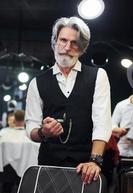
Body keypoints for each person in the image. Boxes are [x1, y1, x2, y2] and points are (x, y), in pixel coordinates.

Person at [25, 16, 112, 184]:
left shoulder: (98, 76)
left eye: (74, 42)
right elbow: (31, 128)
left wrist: (95, 161)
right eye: (63, 40)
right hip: (49, 165)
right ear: (54, 42)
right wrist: (44, 132)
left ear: (82, 47)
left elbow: (102, 123)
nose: (67, 47)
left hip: (86, 166)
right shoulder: (36, 83)